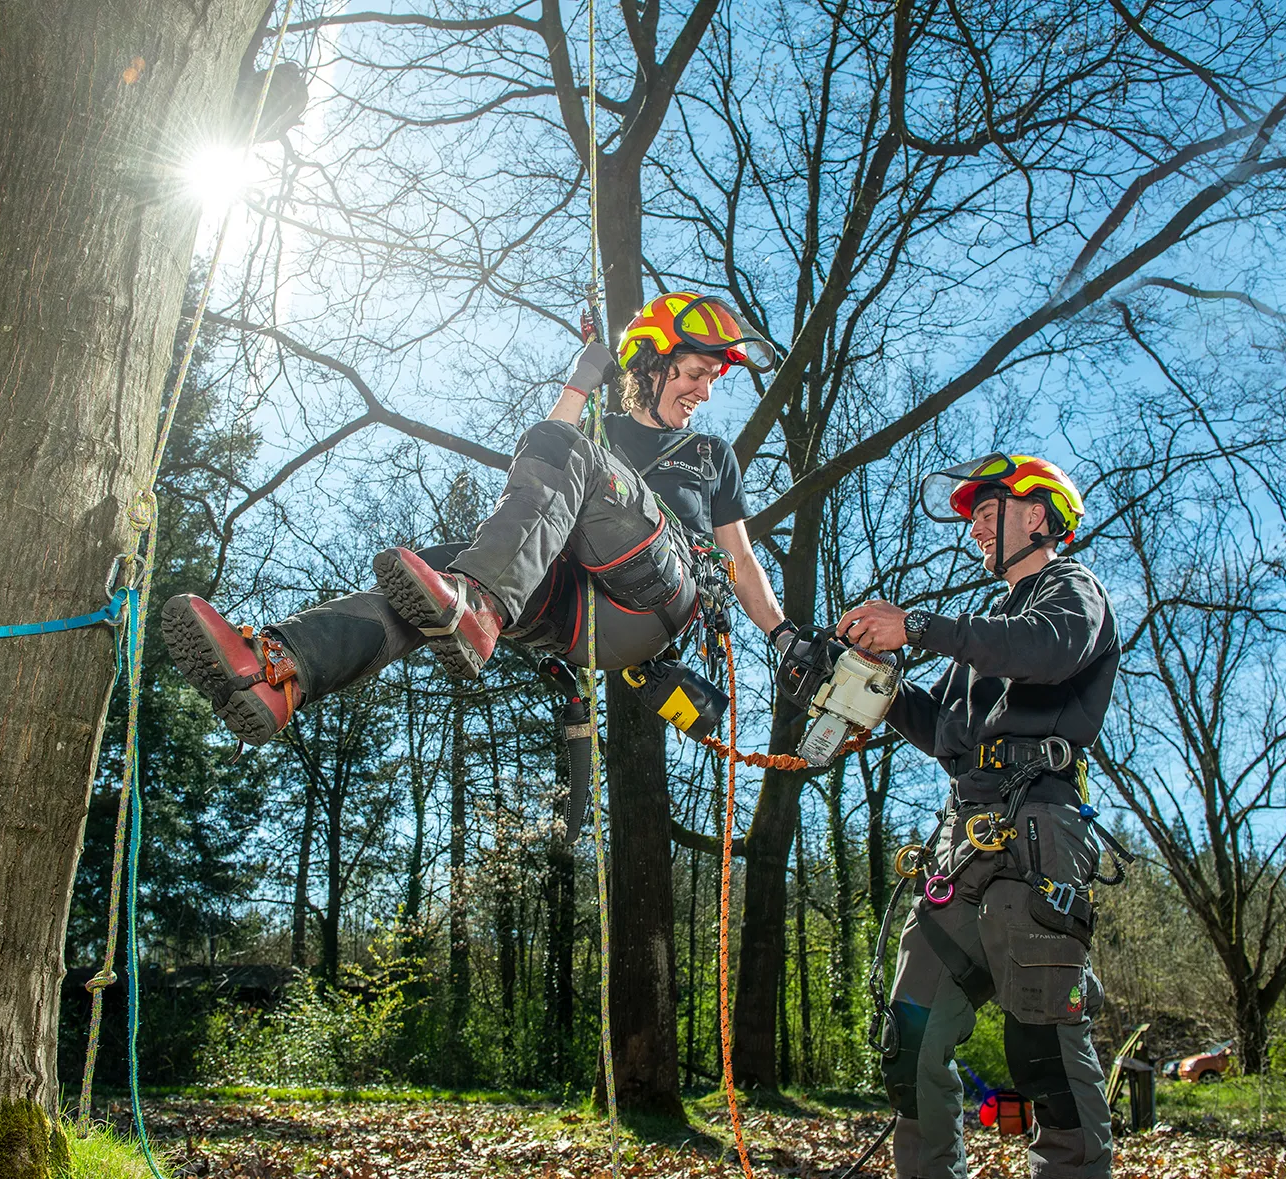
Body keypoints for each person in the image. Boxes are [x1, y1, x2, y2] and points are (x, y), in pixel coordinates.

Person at [162, 292, 797, 746]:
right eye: (696, 373)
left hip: (657, 596)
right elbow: (544, 458)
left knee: (554, 478)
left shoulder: (710, 455)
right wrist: (580, 383)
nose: (705, 392)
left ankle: (480, 605)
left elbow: (740, 559)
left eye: (711, 379)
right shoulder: (602, 431)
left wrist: (784, 636)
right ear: (653, 364)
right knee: (437, 575)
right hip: (578, 612)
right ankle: (281, 671)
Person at [837, 454, 1120, 1179]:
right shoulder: (983, 638)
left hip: (1038, 835)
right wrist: (868, 680)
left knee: (1044, 1051)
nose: (975, 532)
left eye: (988, 515)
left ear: (1038, 515)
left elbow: (1047, 651)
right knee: (911, 1038)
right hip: (960, 843)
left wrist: (917, 625)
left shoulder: (1071, 591)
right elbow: (943, 730)